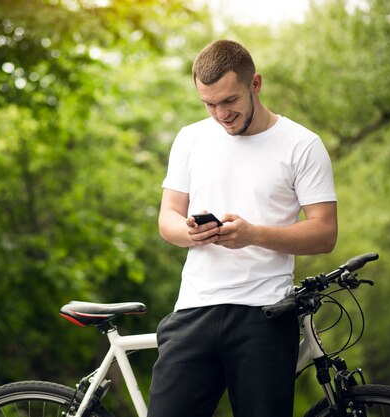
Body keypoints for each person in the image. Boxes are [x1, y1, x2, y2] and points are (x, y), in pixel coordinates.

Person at [147, 40, 338, 417]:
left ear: (256, 84)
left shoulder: (302, 145)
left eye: (229, 101)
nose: (221, 114)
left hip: (264, 316)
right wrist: (190, 233)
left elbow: (325, 232)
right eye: (209, 104)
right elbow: (168, 216)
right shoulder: (190, 138)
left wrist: (254, 234)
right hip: (193, 310)